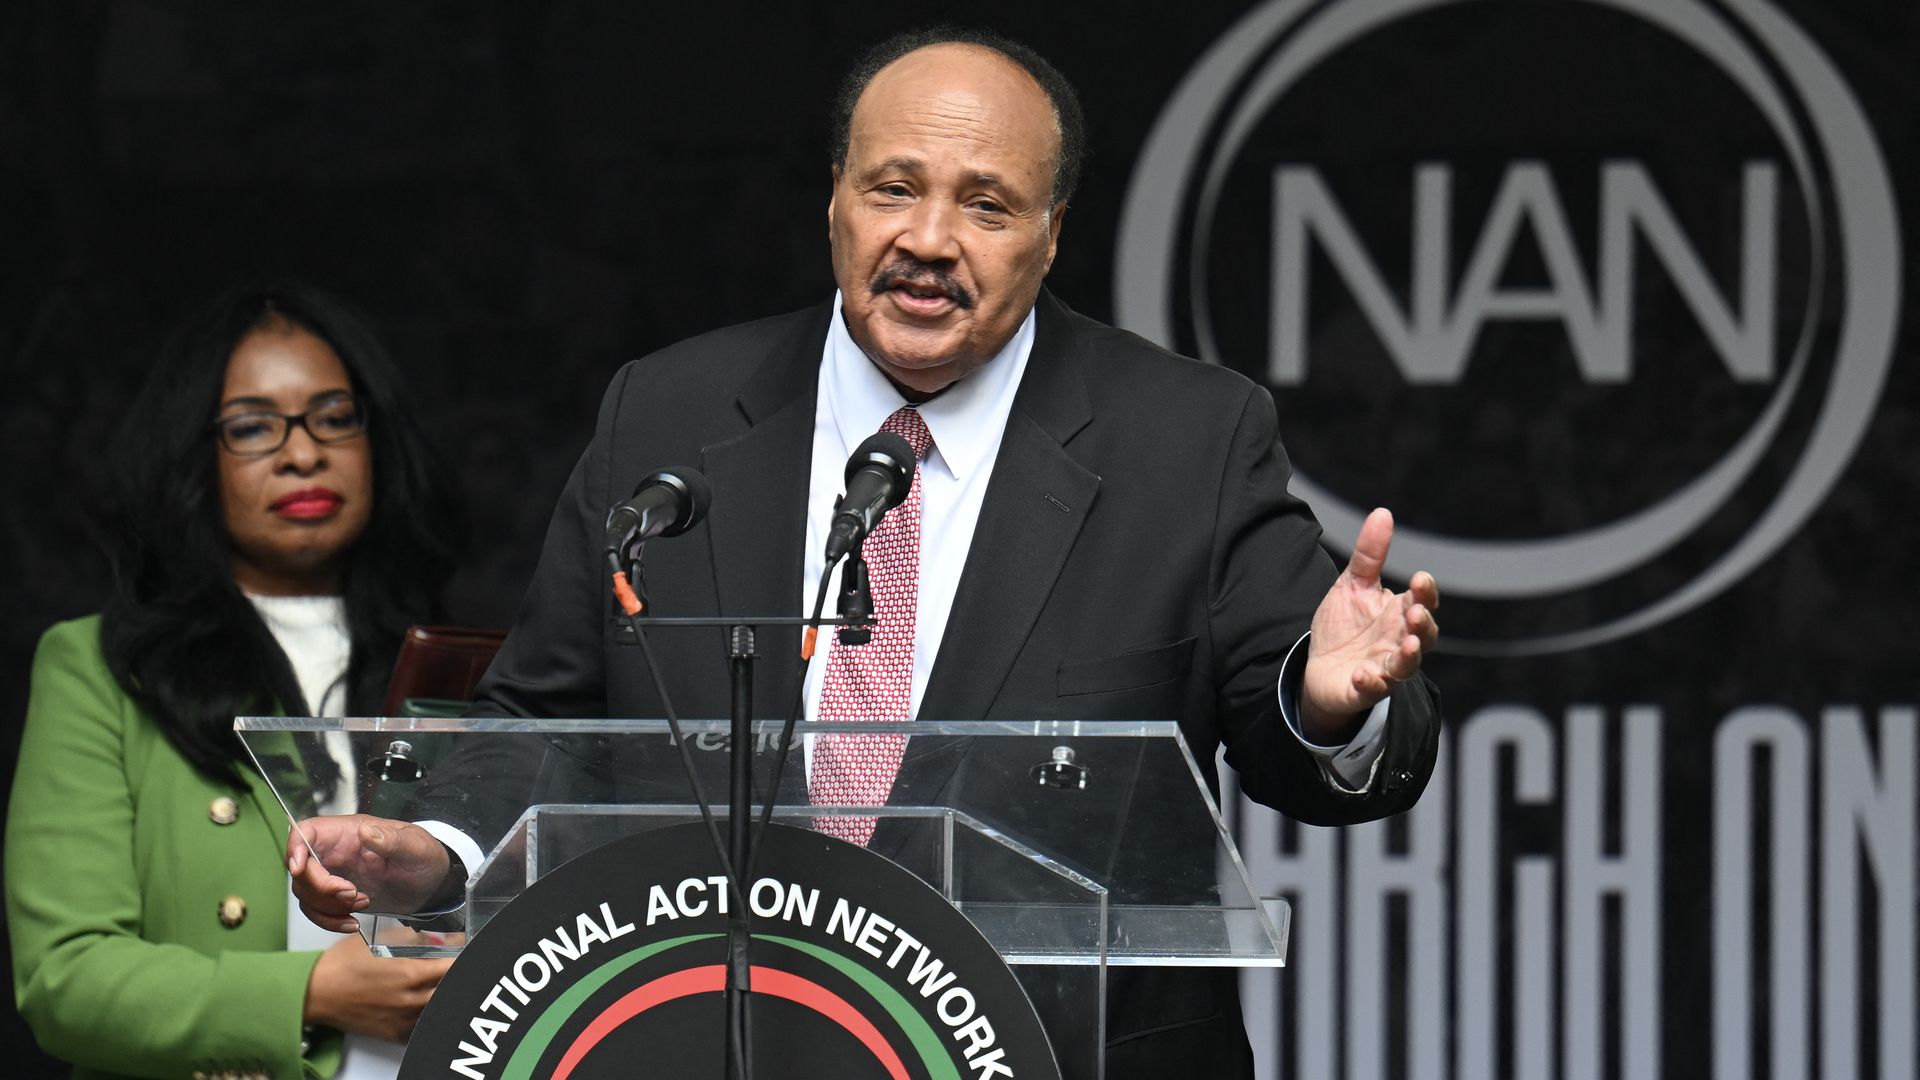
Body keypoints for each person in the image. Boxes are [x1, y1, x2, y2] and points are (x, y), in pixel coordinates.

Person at [289, 27, 1443, 1078]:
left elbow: (1291, 741)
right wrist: (433, 847)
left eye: (986, 206)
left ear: (1051, 237)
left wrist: (1330, 701)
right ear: (835, 198)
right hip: (712, 1046)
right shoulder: (671, 411)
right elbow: (548, 721)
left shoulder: (1186, 438)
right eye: (894, 187)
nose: (928, 241)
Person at [6, 284, 465, 1080]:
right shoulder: (100, 667)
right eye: (254, 427)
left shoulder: (465, 667)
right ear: (193, 458)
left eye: (333, 416)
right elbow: (63, 977)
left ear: (376, 438)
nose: (302, 453)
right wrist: (311, 991)